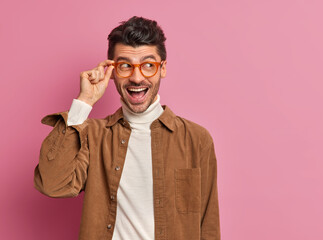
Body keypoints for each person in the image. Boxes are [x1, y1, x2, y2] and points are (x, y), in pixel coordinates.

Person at [34, 16, 220, 240]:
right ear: (111, 71)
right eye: (125, 66)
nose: (136, 77)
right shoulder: (94, 136)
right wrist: (84, 102)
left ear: (163, 69)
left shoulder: (196, 139)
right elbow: (53, 185)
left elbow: (208, 225)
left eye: (148, 65)